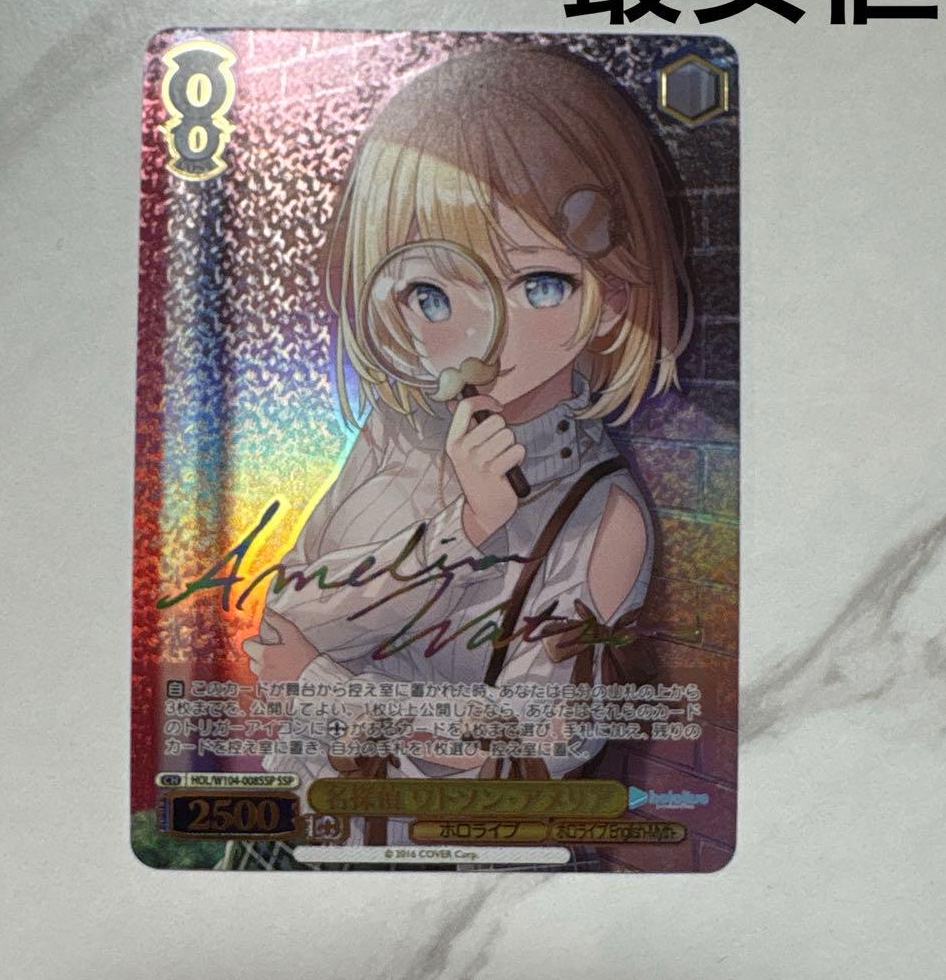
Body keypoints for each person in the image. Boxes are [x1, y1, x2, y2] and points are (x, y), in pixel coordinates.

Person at [241, 44, 693, 845]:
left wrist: (322, 684)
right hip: (300, 842)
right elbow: (282, 618)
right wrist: (460, 532)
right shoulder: (399, 430)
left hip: (451, 876)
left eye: (538, 284)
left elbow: (531, 748)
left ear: (614, 291)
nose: (482, 333)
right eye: (432, 292)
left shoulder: (601, 514)